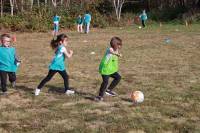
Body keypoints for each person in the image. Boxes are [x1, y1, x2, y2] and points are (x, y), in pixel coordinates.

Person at [95, 37, 122, 101]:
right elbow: (111, 52)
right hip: (105, 69)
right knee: (105, 82)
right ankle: (100, 96)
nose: (120, 46)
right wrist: (117, 54)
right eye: (119, 45)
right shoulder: (109, 49)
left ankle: (109, 90)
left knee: (118, 77)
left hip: (111, 70)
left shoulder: (116, 50)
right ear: (115, 45)